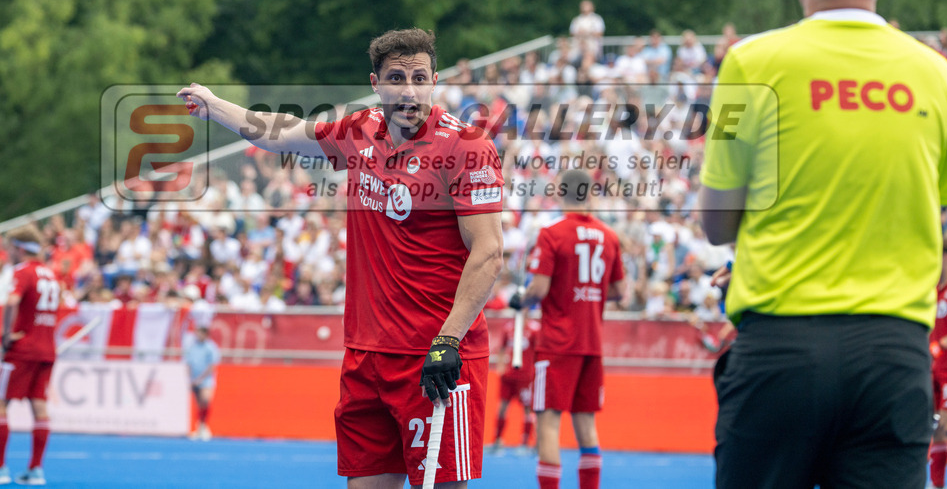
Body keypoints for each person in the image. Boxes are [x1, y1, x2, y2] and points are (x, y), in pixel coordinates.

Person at [699, 0, 947, 489]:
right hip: (894, 356)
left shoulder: (749, 65)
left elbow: (716, 222)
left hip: (779, 351)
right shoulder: (937, 76)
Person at [178, 27, 504, 487]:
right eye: (396, 78)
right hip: (364, 356)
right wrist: (216, 107)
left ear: (435, 80)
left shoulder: (468, 148)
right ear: (376, 83)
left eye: (419, 77)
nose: (408, 90)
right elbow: (284, 133)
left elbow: (489, 254)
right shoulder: (360, 129)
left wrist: (448, 341)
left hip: (433, 354)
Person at [509, 169, 625, 489]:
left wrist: (522, 299)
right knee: (586, 425)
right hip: (592, 342)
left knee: (548, 422)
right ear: (590, 193)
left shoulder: (552, 234)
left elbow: (540, 289)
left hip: (558, 342)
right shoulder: (609, 236)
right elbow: (618, 291)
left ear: (561, 192)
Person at [0, 226, 59, 486]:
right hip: (46, 348)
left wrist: (6, 334)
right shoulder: (51, 274)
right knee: (39, 405)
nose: (7, 254)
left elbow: (11, 301)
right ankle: (36, 470)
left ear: (19, 248)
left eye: (9, 248)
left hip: (23, 349)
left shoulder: (22, 271)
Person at [489, 316, 541, 454]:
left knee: (528, 409)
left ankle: (525, 443)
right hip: (509, 375)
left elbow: (538, 353)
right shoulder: (508, 328)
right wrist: (501, 367)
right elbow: (502, 348)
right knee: (502, 407)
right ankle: (497, 441)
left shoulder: (535, 329)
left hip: (526, 376)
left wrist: (535, 372)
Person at [929, 235, 947, 489]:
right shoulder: (935, 291)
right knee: (935, 429)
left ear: (945, 257)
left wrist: (941, 344)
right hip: (934, 369)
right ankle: (936, 485)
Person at [185, 324, 221, 441]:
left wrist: (200, 378)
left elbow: (212, 366)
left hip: (206, 380)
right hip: (194, 379)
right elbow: (189, 363)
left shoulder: (210, 347)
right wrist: (190, 379)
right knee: (199, 404)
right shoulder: (193, 347)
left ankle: (203, 426)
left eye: (200, 333)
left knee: (205, 401)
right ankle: (199, 427)